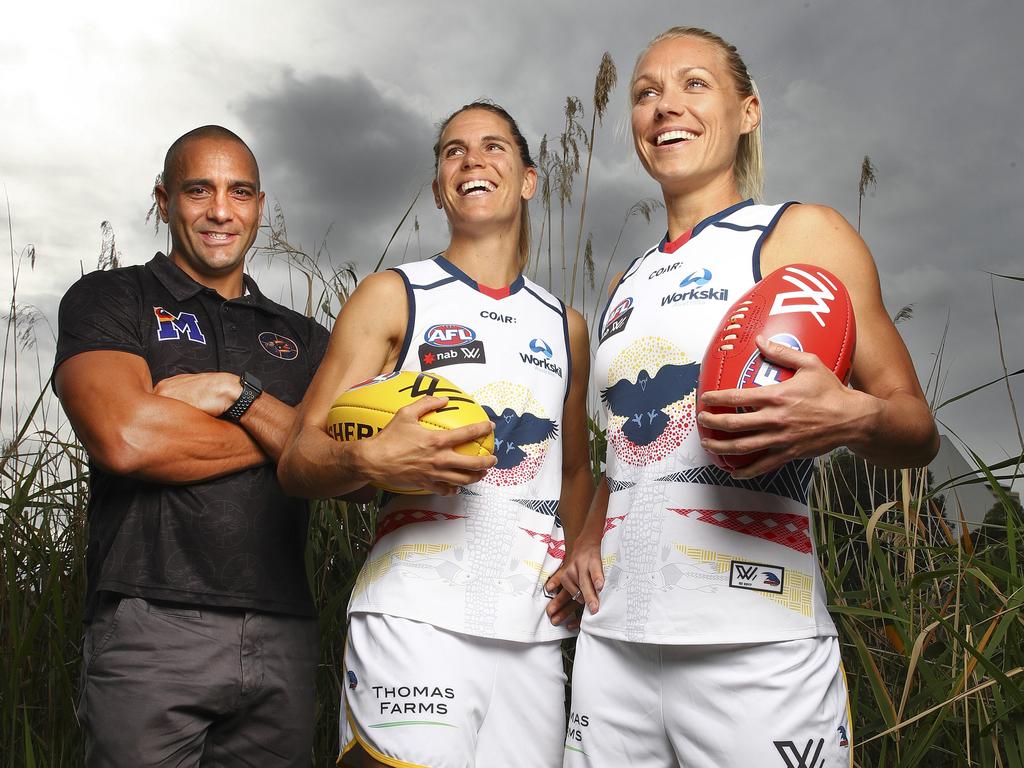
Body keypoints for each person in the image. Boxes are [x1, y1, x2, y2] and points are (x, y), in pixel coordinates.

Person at [551, 27, 939, 768]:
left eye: (694, 84)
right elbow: (632, 451)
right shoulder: (620, 286)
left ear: (748, 110)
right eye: (646, 93)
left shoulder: (801, 234)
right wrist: (588, 540)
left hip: (755, 642)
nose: (667, 106)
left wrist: (853, 415)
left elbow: (914, 425)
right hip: (614, 649)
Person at [277, 101, 594, 768]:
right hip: (415, 617)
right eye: (453, 151)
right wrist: (367, 455)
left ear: (530, 179)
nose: (472, 160)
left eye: (493, 147)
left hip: (533, 631)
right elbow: (297, 457)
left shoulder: (566, 325)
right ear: (437, 188)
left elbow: (571, 474)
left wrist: (578, 556)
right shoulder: (394, 295)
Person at [54, 125, 331, 767]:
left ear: (260, 205)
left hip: (284, 628)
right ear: (163, 200)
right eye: (197, 190)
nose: (219, 211)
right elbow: (126, 438)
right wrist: (290, 438)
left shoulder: (306, 339)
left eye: (239, 192)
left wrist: (239, 395)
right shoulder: (112, 298)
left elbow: (351, 469)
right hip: (151, 622)